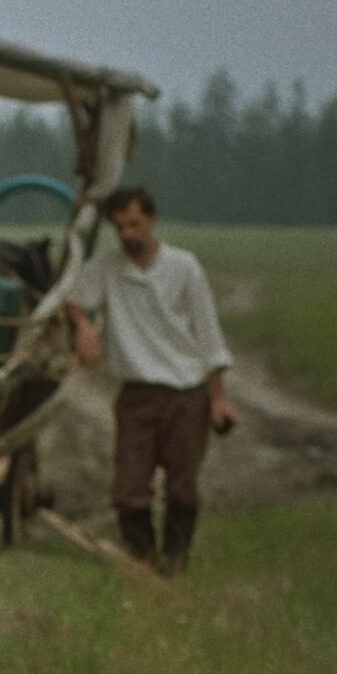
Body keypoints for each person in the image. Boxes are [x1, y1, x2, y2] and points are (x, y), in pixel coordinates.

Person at [64, 186, 239, 574]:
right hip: (137, 396)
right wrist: (84, 326)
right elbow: (72, 297)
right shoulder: (108, 268)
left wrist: (219, 397)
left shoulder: (183, 267)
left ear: (152, 220)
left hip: (185, 395)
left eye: (135, 225)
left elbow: (208, 336)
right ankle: (145, 565)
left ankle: (175, 568)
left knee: (181, 486)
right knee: (129, 491)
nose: (128, 234)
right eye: (121, 227)